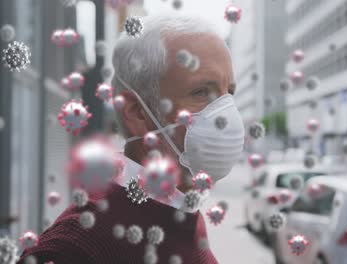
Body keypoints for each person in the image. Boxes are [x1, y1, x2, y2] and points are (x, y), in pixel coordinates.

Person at [17, 13, 245, 264]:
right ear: (136, 113)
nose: (226, 115)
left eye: (228, 94)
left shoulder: (181, 210)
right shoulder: (74, 248)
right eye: (201, 92)